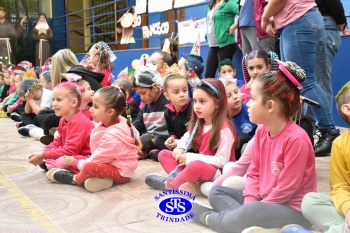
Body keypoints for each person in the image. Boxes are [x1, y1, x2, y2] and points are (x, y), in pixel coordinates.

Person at [191, 62, 317, 233]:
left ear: (270, 106)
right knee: (217, 192)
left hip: (291, 210)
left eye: (252, 98)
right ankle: (251, 224)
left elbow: (286, 190)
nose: (247, 104)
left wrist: (254, 209)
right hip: (262, 203)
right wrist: (249, 204)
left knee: (252, 211)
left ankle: (209, 218)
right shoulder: (262, 132)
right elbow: (254, 172)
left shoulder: (297, 140)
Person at [261, 0, 339, 156]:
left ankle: (329, 132)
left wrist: (265, 16)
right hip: (296, 21)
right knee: (292, 81)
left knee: (305, 81)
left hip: (298, 20)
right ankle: (304, 132)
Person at [145, 78, 237, 194]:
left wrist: (190, 157)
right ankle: (184, 183)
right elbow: (186, 137)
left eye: (202, 101)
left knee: (196, 166)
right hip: (197, 166)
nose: (197, 106)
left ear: (217, 103)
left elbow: (222, 161)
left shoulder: (224, 129)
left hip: (216, 172)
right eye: (195, 101)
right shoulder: (200, 122)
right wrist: (180, 148)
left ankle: (169, 184)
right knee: (164, 154)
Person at [45, 86, 140, 193]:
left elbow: (95, 160)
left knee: (88, 166)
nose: (90, 109)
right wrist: (75, 160)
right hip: (106, 163)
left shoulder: (112, 138)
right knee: (74, 158)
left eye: (95, 107)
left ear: (110, 112)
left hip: (121, 172)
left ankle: (73, 179)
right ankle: (102, 181)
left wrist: (75, 163)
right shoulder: (109, 123)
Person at [295, 81, 350, 233]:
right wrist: (347, 209)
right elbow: (340, 187)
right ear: (348, 109)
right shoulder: (340, 144)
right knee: (310, 202)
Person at [28, 82, 94, 171]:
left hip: (86, 156)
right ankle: (57, 167)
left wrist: (43, 155)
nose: (54, 104)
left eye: (58, 100)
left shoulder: (79, 122)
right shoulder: (63, 119)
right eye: (53, 100)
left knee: (60, 161)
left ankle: (69, 174)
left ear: (73, 102)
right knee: (51, 157)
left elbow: (70, 151)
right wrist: (44, 153)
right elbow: (59, 141)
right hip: (74, 154)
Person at [132, 65, 170, 161]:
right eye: (139, 94)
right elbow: (136, 126)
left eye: (143, 93)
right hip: (151, 141)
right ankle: (151, 152)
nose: (141, 97)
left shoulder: (168, 104)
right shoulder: (145, 108)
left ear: (155, 87)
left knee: (147, 138)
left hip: (165, 141)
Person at [221, 76, 257, 159]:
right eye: (229, 96)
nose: (235, 96)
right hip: (235, 156)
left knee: (243, 139)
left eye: (236, 92)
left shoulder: (250, 110)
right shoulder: (222, 119)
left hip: (254, 150)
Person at [204, 0, 239, 78]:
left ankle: (228, 90)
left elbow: (243, 13)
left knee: (225, 75)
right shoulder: (210, 6)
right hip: (212, 45)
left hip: (225, 44)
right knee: (208, 75)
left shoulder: (229, 3)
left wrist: (233, 28)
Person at [162, 69, 192, 151]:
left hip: (193, 146)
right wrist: (172, 138)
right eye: (176, 92)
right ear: (167, 95)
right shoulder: (167, 113)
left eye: (184, 90)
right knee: (161, 147)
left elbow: (197, 134)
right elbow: (172, 131)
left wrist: (180, 142)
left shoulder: (193, 108)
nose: (182, 94)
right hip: (179, 147)